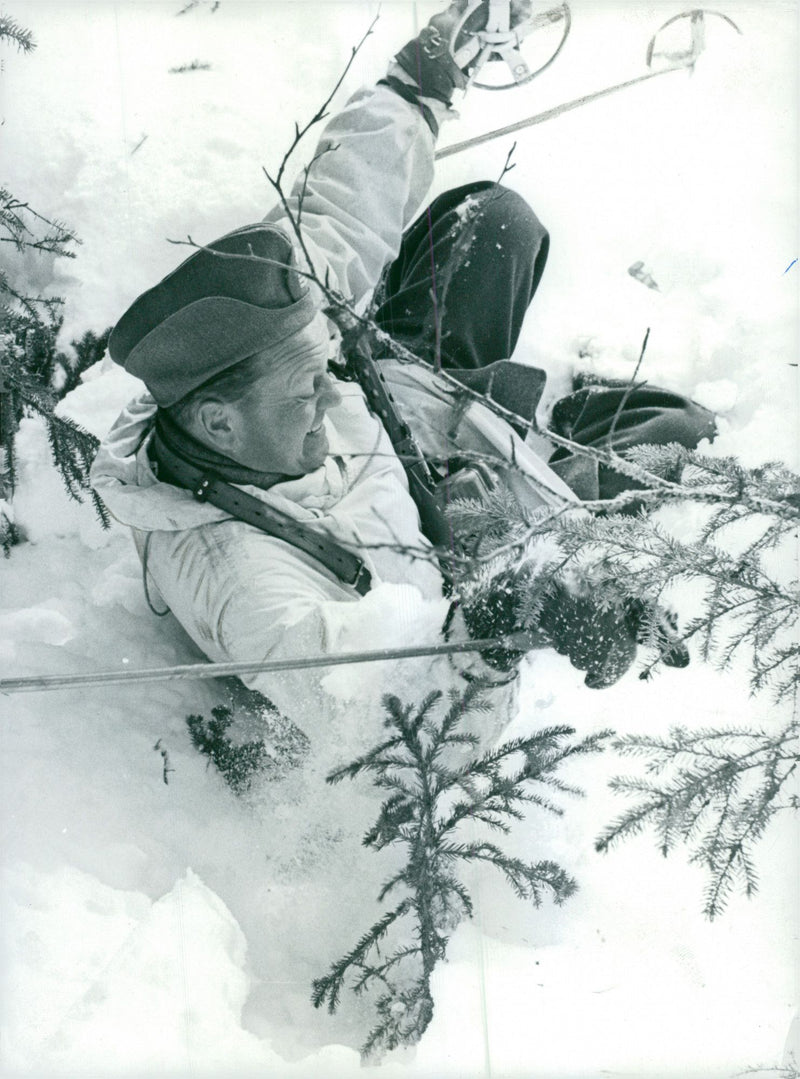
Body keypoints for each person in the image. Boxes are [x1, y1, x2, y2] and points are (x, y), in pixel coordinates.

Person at [90, 3, 714, 737]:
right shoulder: (243, 583)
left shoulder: (242, 360)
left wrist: (421, 79)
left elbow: (336, 220)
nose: (329, 389)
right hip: (452, 550)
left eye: (322, 364)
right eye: (306, 385)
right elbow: (392, 720)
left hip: (403, 427)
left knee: (494, 222)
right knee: (677, 436)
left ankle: (515, 410)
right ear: (218, 422)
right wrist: (510, 607)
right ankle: (548, 439)